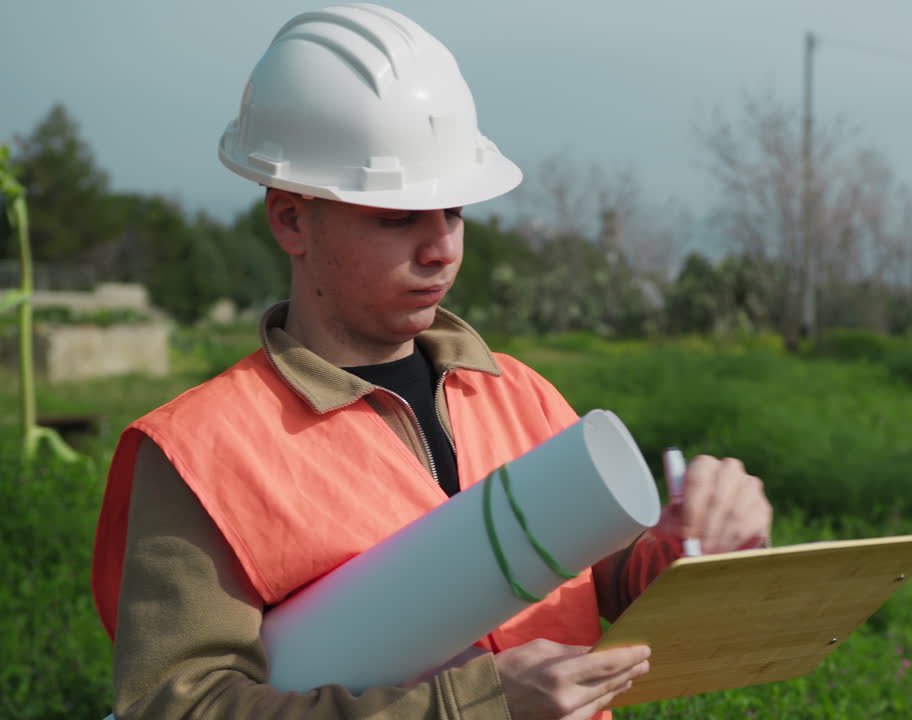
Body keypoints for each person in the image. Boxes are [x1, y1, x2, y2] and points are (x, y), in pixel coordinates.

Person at [90, 4, 772, 720]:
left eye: (454, 212)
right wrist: (471, 707)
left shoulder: (518, 394)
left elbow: (621, 586)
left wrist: (697, 545)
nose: (441, 248)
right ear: (291, 218)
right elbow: (179, 707)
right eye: (398, 217)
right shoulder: (199, 454)